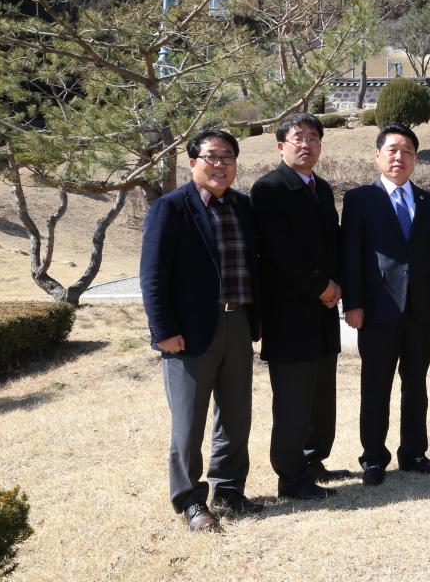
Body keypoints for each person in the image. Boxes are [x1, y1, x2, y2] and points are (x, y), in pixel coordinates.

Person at [140, 129, 264, 532]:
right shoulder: (171, 208)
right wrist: (163, 329)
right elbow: (153, 275)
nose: (220, 164)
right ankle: (191, 501)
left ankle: (229, 489)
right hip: (190, 332)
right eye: (211, 156)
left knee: (236, 416)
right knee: (188, 422)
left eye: (227, 157)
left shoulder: (243, 206)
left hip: (238, 321)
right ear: (192, 162)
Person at [250, 113, 353, 501]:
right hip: (290, 314)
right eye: (298, 137)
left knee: (320, 398)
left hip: (324, 313)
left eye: (314, 137)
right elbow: (279, 251)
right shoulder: (269, 189)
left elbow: (333, 244)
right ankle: (291, 479)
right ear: (281, 146)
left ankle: (313, 461)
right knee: (293, 401)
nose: (306, 143)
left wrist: (339, 285)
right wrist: (321, 285)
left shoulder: (322, 189)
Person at [339, 124, 430, 486]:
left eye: (407, 151)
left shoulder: (428, 202)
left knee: (415, 384)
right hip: (376, 310)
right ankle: (373, 458)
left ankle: (414, 452)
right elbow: (350, 256)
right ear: (378, 155)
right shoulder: (359, 200)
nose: (399, 157)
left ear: (416, 158)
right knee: (376, 386)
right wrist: (352, 304)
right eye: (392, 150)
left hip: (419, 311)